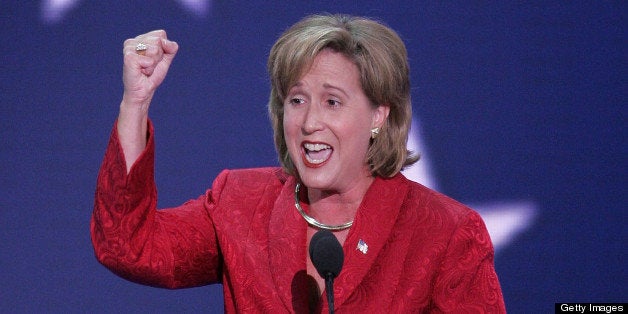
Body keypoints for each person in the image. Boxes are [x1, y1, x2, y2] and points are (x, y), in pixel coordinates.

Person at [91, 14, 506, 313]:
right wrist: (136, 103)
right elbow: (127, 246)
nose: (309, 122)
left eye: (332, 102)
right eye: (297, 100)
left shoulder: (446, 234)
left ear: (379, 114)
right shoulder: (240, 203)